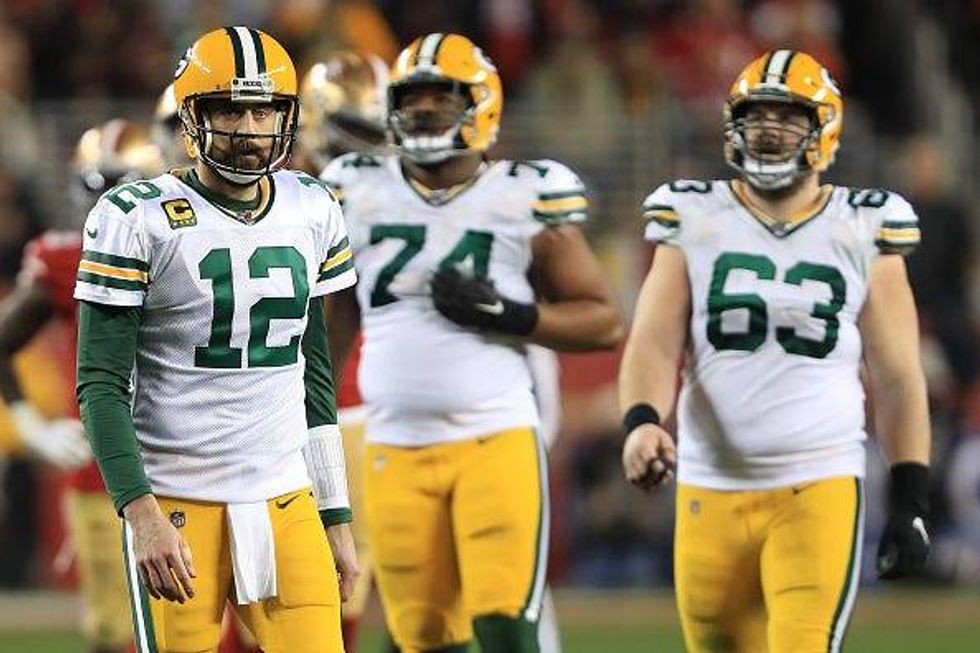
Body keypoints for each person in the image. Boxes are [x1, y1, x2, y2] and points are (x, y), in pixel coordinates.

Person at [619, 49, 932, 652]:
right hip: (711, 483)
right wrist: (639, 423)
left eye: (788, 117)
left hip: (817, 481)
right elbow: (654, 341)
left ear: (824, 129)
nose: (767, 130)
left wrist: (911, 495)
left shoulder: (865, 225)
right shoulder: (692, 213)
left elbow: (897, 376)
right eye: (756, 115)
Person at [322, 33, 624, 653]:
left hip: (495, 436)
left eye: (442, 99)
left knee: (505, 621)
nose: (426, 112)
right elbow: (333, 326)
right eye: (414, 100)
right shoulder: (355, 187)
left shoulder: (523, 192)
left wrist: (512, 314)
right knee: (420, 635)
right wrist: (302, 417)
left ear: (480, 105)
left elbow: (603, 320)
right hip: (394, 441)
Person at [74, 27, 358, 653]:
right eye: (231, 108)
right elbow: (99, 383)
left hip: (286, 497)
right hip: (178, 499)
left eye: (264, 109)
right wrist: (140, 515)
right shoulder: (136, 216)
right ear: (192, 116)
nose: (250, 127)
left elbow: (313, 375)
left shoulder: (313, 206)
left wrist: (334, 512)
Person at [0, 117, 164, 653]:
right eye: (97, 188)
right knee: (114, 631)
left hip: (195, 456)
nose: (109, 205)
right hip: (107, 467)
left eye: (120, 187)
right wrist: (29, 424)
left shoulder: (197, 246)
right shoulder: (65, 256)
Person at [297, 49, 388, 653]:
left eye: (371, 134)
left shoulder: (381, 194)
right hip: (272, 400)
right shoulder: (273, 189)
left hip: (359, 401)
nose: (361, 149)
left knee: (350, 570)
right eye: (351, 129)